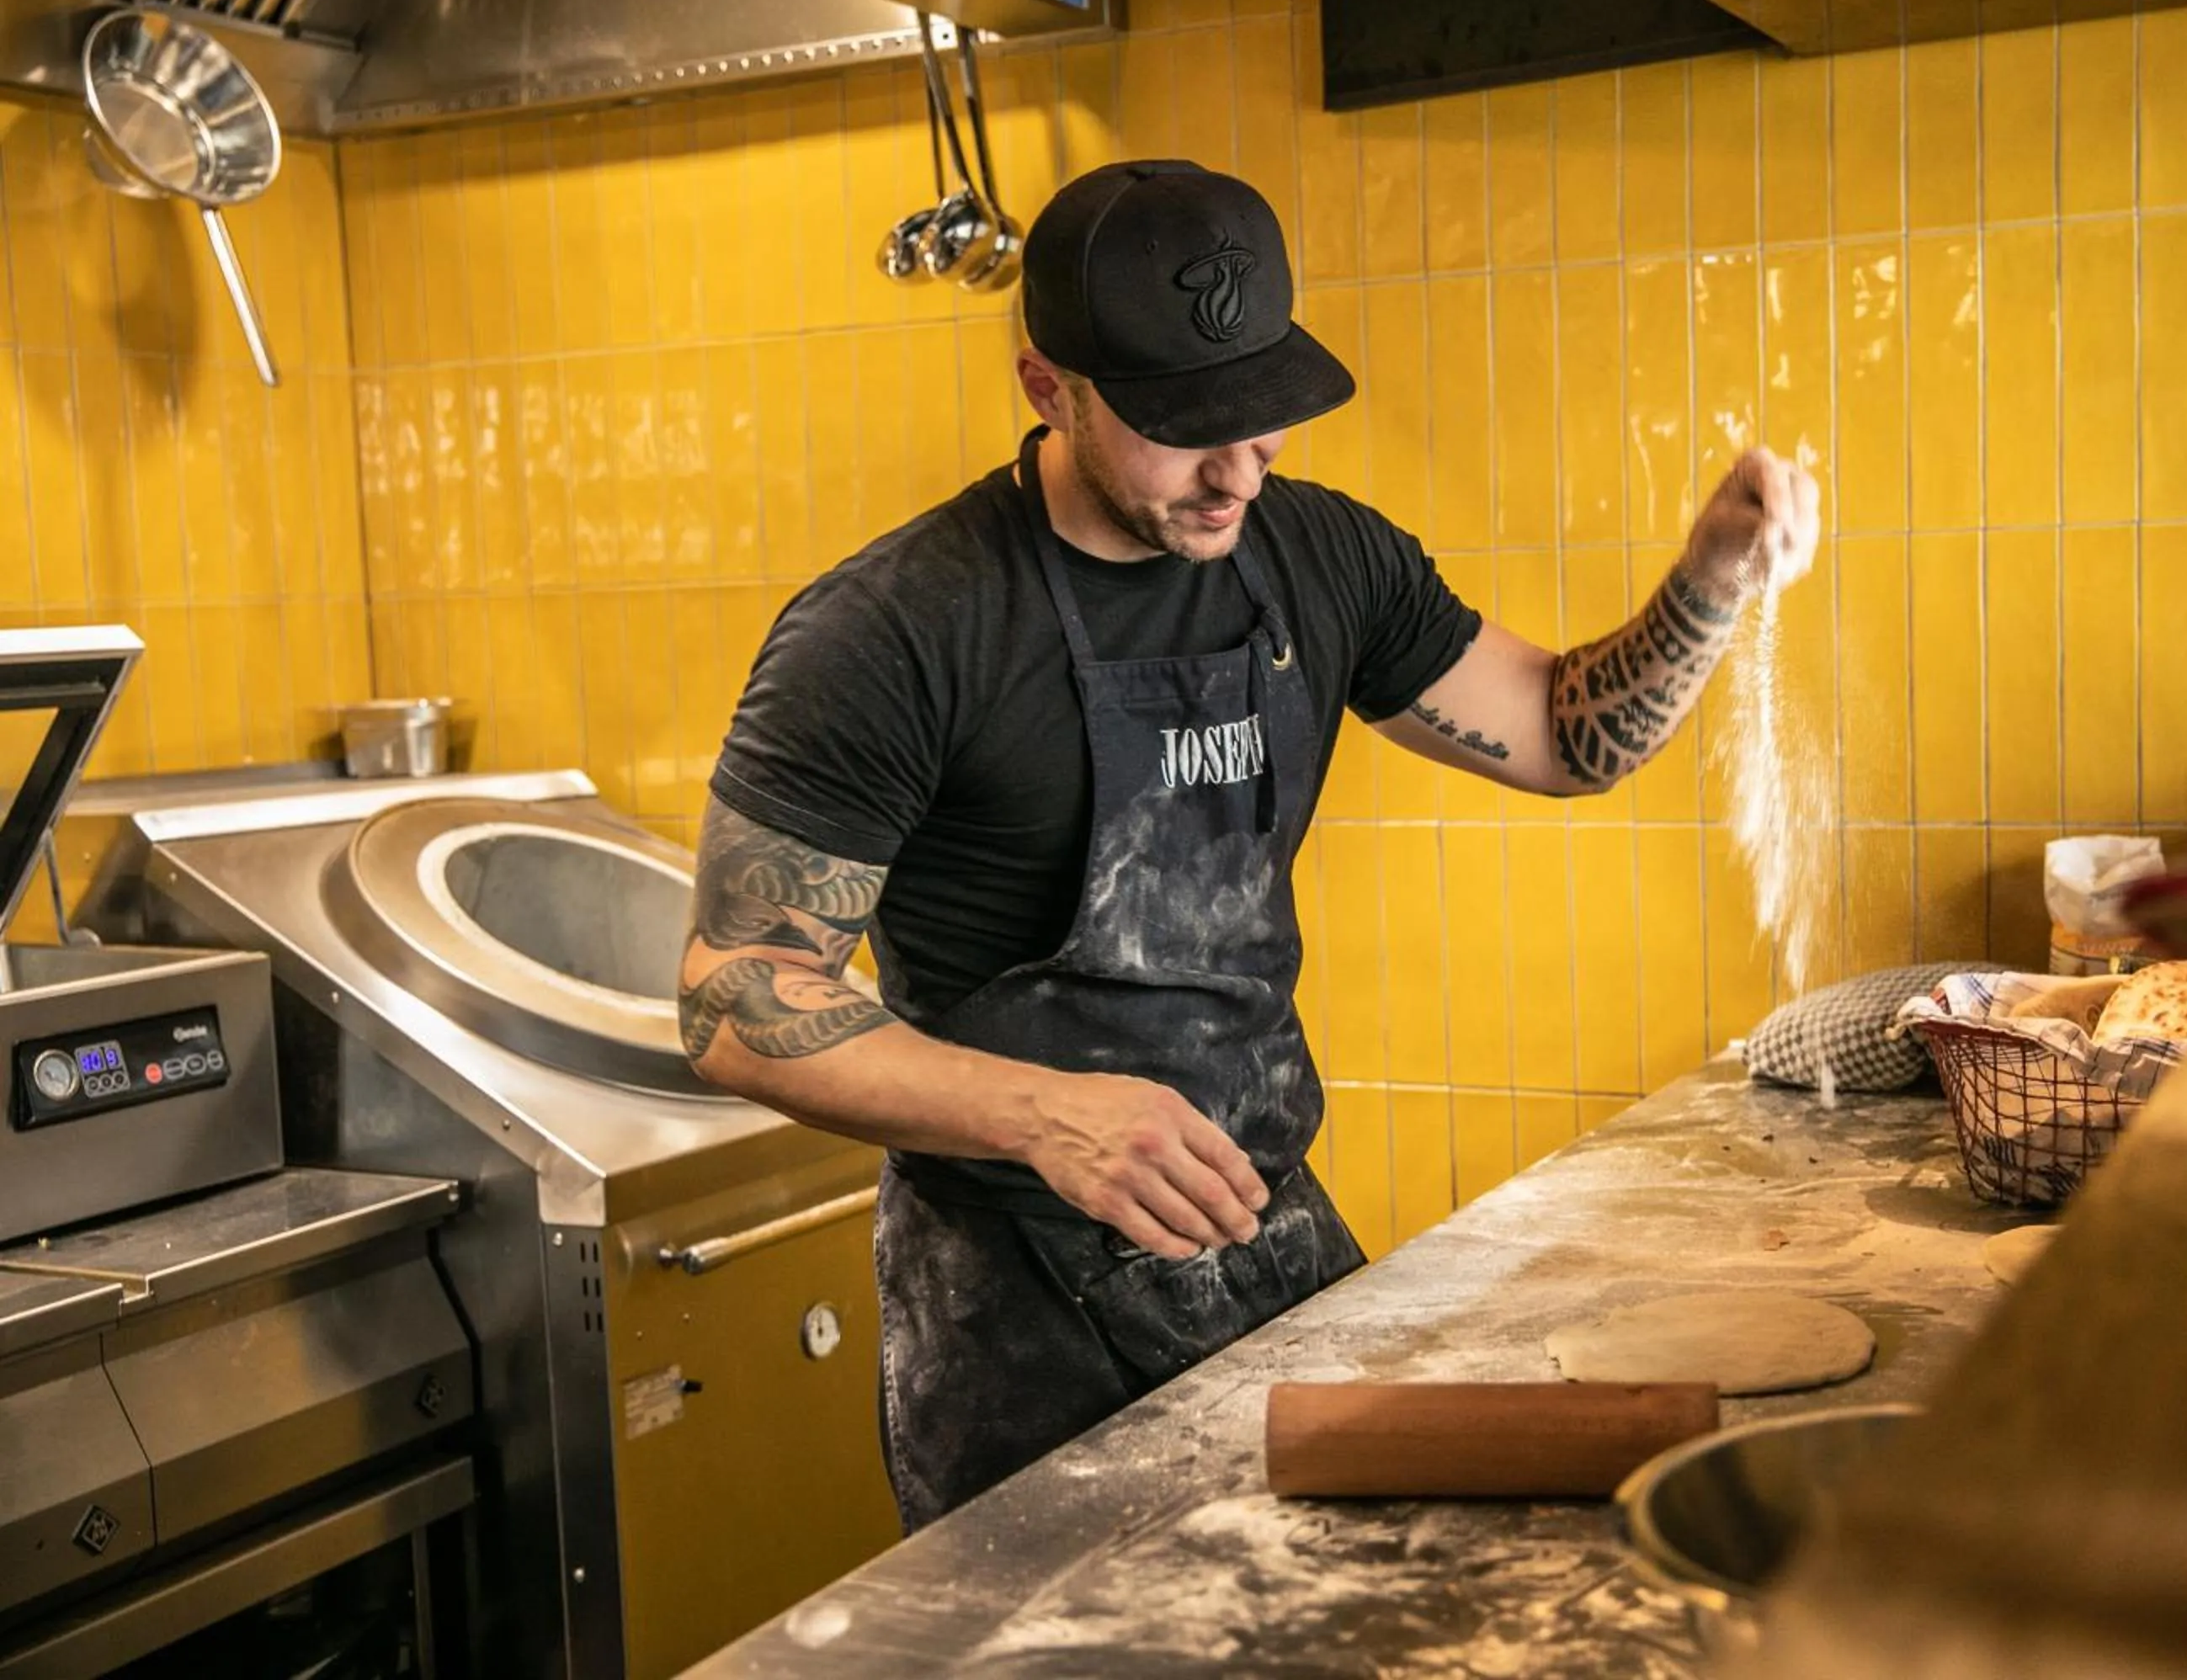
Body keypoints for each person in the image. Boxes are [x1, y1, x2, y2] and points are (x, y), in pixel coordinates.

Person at [683, 159, 1820, 1532]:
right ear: (1050, 387)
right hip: (1017, 1306)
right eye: (1181, 427)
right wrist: (1046, 1114)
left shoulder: (1323, 559)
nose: (1236, 471)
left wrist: (1707, 579)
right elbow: (734, 997)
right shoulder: (900, 630)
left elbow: (1568, 741)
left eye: (1262, 415)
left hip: (1265, 1235)